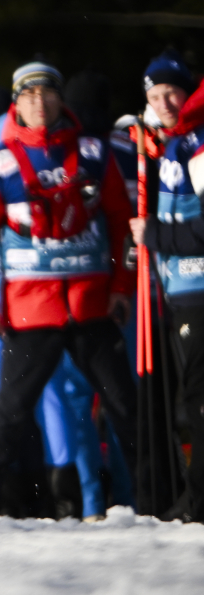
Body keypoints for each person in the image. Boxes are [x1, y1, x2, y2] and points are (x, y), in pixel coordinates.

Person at [0, 60, 139, 510]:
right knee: (9, 416)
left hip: (92, 306)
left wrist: (122, 287)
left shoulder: (93, 153)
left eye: (48, 92)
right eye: (29, 94)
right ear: (16, 103)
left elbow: (121, 221)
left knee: (129, 410)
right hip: (31, 313)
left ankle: (162, 502)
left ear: (61, 98)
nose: (39, 102)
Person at [129, 48, 204, 521]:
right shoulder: (175, 141)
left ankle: (197, 502)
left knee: (196, 401)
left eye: (171, 93)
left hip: (198, 288)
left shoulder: (198, 141)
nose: (164, 104)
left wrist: (155, 236)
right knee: (190, 400)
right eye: (155, 96)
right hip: (180, 289)